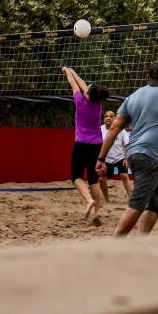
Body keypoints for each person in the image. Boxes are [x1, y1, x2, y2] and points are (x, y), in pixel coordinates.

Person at [95, 61, 158, 237]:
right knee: (137, 204)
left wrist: (101, 159)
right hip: (150, 156)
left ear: (147, 77)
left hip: (133, 154)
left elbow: (114, 128)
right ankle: (114, 243)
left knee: (157, 200)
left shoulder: (133, 97)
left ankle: (142, 240)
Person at [62, 66, 110, 223]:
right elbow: (83, 84)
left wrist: (67, 71)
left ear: (87, 95)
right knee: (93, 179)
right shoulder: (98, 104)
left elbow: (74, 84)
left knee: (76, 176)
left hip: (81, 143)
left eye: (87, 88)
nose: (85, 86)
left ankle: (89, 200)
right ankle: (97, 213)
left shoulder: (80, 101)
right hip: (97, 144)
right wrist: (73, 70)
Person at [99, 110, 131, 202]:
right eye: (106, 116)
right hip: (106, 159)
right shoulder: (100, 130)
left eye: (111, 116)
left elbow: (127, 144)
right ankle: (106, 199)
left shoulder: (120, 129)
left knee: (124, 176)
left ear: (115, 118)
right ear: (104, 119)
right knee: (101, 179)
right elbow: (97, 145)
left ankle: (131, 198)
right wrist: (100, 160)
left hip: (120, 157)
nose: (108, 118)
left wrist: (126, 158)